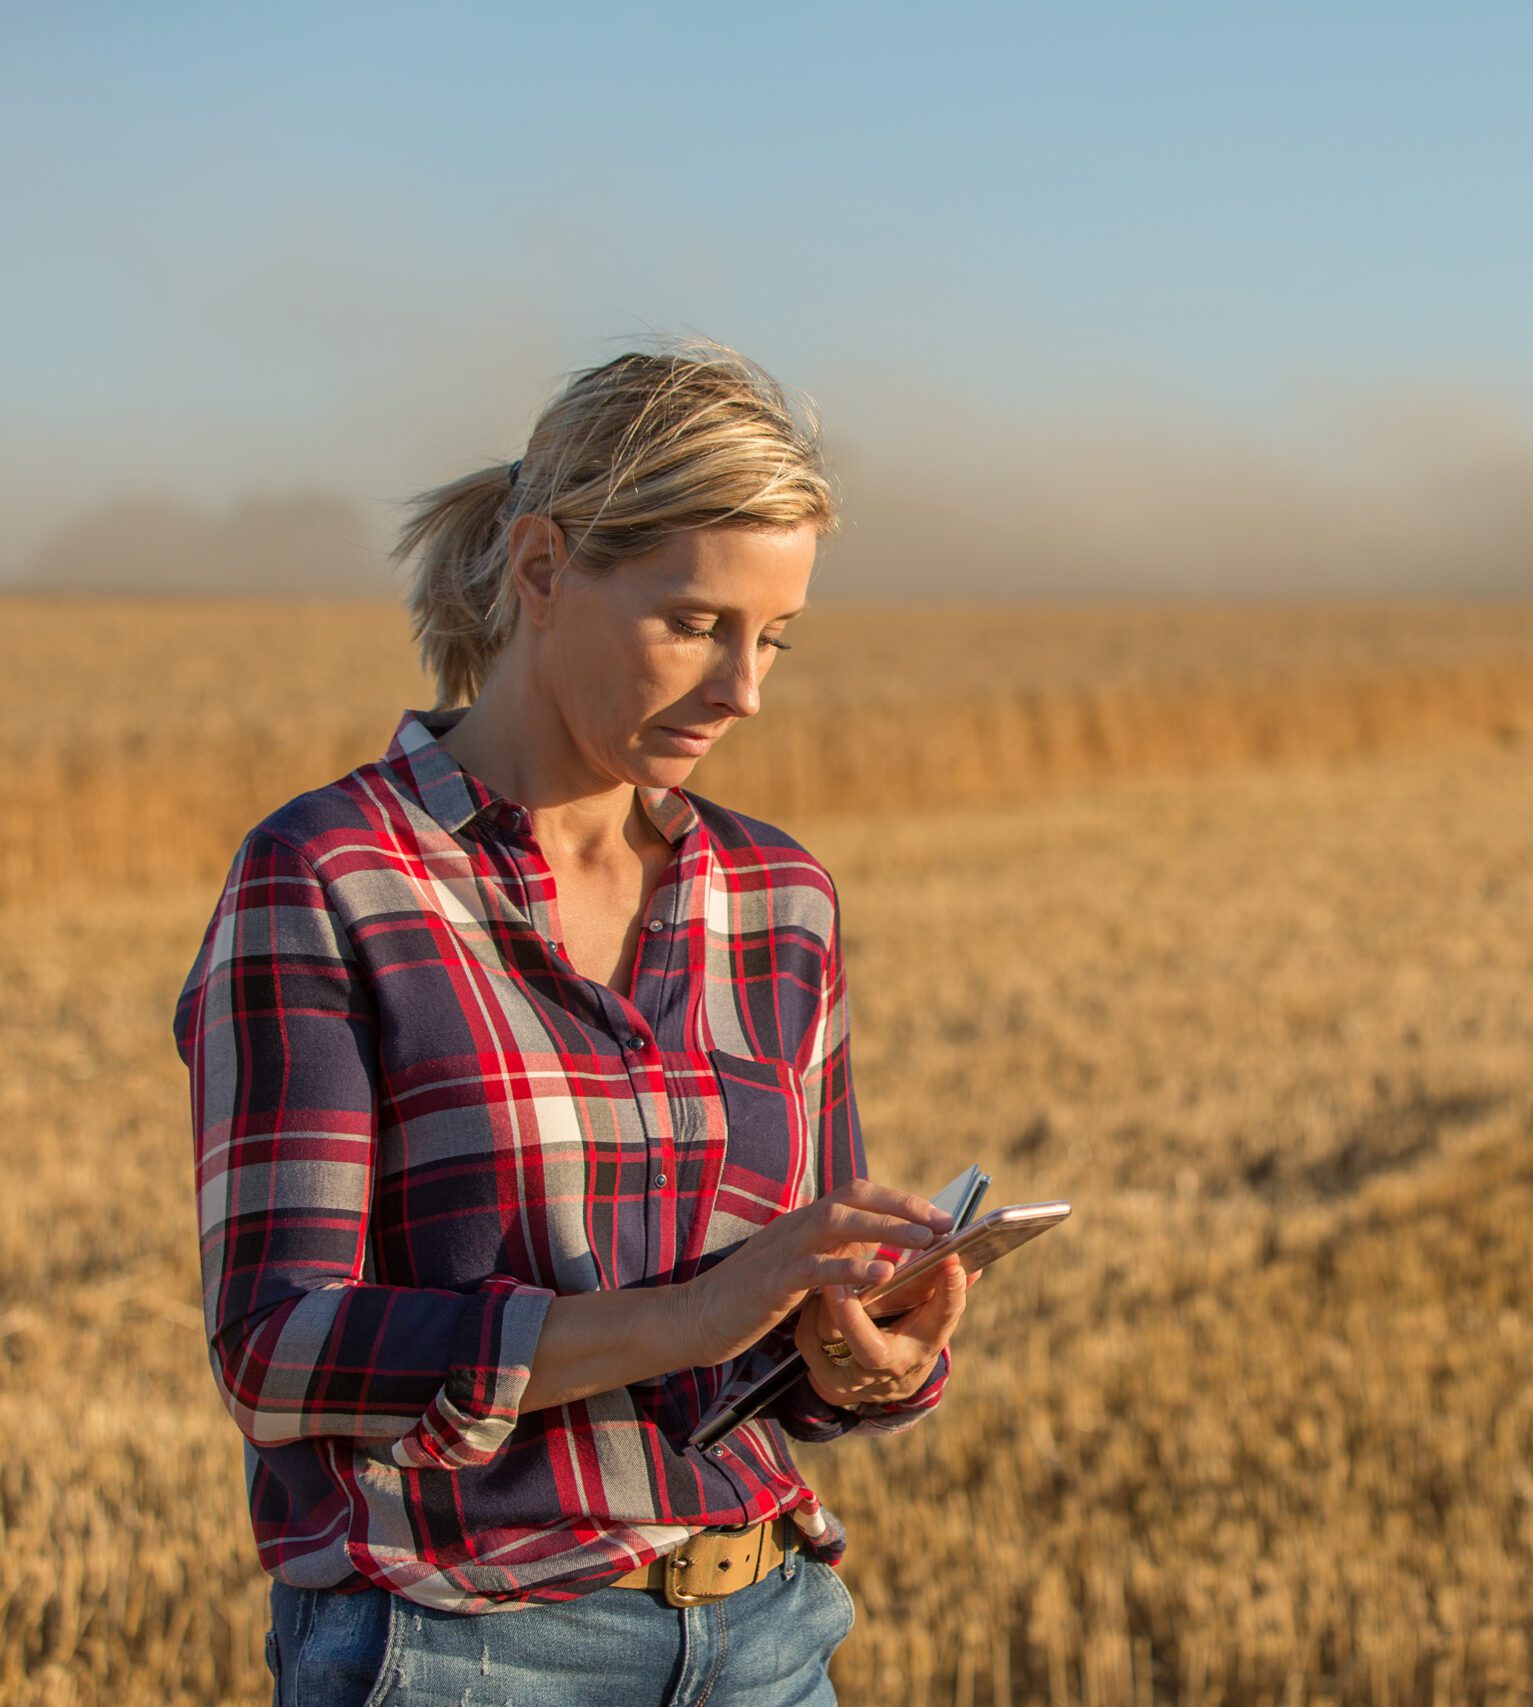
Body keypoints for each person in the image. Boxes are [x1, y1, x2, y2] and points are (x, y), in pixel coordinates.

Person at [174, 341, 976, 1706]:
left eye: (773, 637)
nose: (746, 689)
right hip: (461, 1652)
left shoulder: (781, 898)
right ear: (540, 570)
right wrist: (687, 1316)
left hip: (769, 1632)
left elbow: (769, 1346)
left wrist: (864, 1353)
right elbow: (278, 1350)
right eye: (694, 623)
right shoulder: (330, 877)